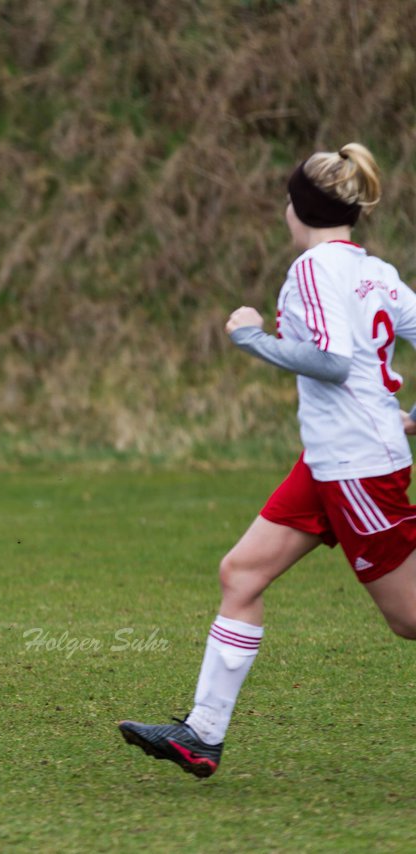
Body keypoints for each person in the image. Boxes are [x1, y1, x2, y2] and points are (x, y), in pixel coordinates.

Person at [119, 142, 416, 777]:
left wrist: (253, 337)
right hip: (331, 464)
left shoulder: (314, 270)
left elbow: (335, 363)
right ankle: (202, 734)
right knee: (241, 574)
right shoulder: (376, 273)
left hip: (358, 469)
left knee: (410, 619)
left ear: (298, 209)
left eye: (287, 199)